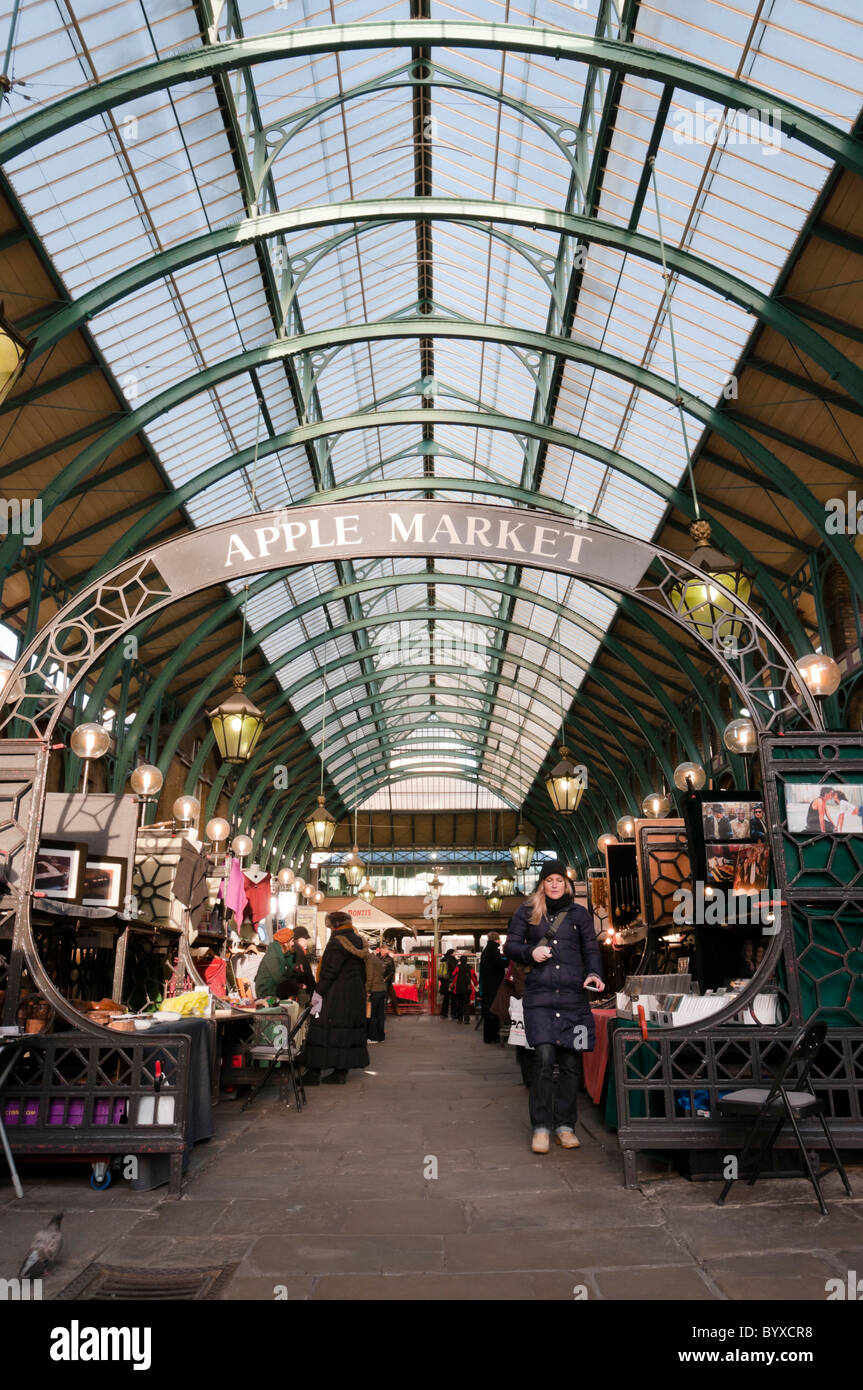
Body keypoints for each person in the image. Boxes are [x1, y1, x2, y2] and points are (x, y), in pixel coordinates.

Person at [503, 860, 604, 1153]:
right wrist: (530, 952)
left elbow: (590, 949)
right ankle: (541, 1127)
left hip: (573, 999)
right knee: (544, 1060)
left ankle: (566, 1125)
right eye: (550, 880)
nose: (555, 885)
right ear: (542, 885)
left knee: (572, 1064)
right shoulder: (528, 912)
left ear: (567, 884)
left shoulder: (580, 915)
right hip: (540, 999)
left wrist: (595, 974)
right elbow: (510, 946)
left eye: (560, 879)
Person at [301, 911, 370, 1085]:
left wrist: (318, 993)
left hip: (335, 995)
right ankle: (340, 1072)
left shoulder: (336, 942)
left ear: (334, 925)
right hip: (355, 994)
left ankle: (313, 1072)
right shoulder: (359, 941)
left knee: (320, 1030)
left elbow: (329, 971)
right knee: (345, 1033)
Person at [252, 926, 295, 1002]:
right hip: (266, 994)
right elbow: (279, 978)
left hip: (275, 992)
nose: (293, 943)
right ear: (285, 942)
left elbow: (289, 974)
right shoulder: (272, 955)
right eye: (292, 941)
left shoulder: (283, 955)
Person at [479, 931, 506, 1043]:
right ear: (497, 939)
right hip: (493, 986)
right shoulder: (493, 950)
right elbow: (500, 963)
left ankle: (489, 1036)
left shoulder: (487, 950)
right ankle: (491, 1037)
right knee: (492, 1010)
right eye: (499, 939)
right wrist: (510, 960)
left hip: (487, 985)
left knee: (489, 1011)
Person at [366, 945, 388, 1043]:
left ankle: (373, 1037)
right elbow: (383, 971)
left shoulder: (370, 961)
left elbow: (369, 977)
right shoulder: (377, 960)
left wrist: (367, 990)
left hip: (374, 990)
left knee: (372, 1015)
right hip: (382, 989)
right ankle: (381, 1036)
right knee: (380, 1015)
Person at [451, 953, 477, 1024]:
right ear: (466, 960)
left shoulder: (457, 967)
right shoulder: (470, 967)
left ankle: (460, 1019)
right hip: (467, 988)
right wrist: (476, 984)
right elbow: (474, 977)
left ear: (460, 960)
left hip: (459, 988)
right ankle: (466, 1020)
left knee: (460, 1004)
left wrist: (452, 986)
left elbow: (453, 976)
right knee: (466, 1004)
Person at [379, 945, 398, 1017]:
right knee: (378, 996)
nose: (383, 951)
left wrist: (386, 979)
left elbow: (392, 971)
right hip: (377, 980)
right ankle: (379, 1013)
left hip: (385, 981)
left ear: (386, 951)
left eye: (384, 950)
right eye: (382, 950)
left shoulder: (390, 959)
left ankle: (383, 1014)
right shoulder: (376, 957)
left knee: (384, 997)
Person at [439, 949, 457, 1018]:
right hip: (451, 982)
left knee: (446, 998)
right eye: (454, 953)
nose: (455, 954)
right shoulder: (452, 960)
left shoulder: (444, 960)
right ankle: (453, 1014)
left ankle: (444, 1014)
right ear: (451, 953)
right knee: (453, 999)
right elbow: (454, 971)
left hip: (444, 981)